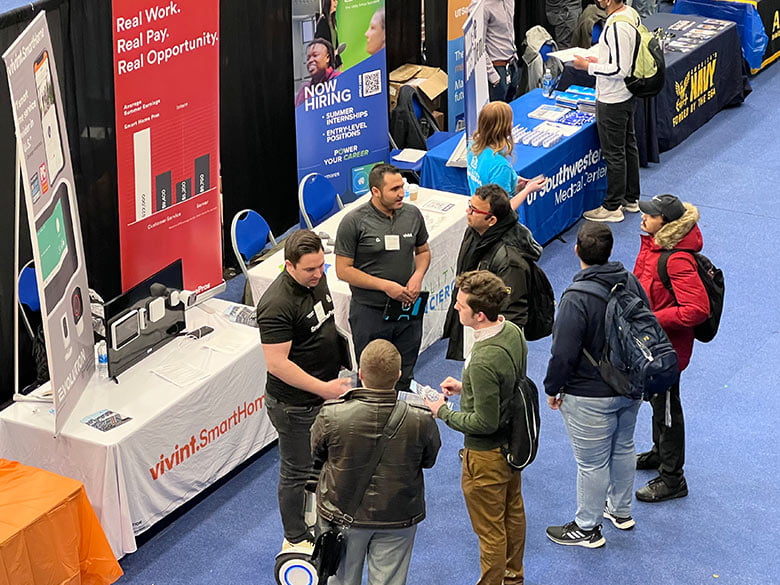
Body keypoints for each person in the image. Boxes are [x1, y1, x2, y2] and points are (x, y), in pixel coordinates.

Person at [544, 221, 645, 548]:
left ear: (577, 251)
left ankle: (587, 527)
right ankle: (620, 510)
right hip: (630, 387)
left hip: (590, 395)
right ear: (610, 250)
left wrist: (552, 388)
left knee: (592, 463)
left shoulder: (575, 298)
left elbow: (563, 353)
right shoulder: (630, 281)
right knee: (624, 447)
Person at [425, 270, 528, 585]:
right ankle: (513, 578)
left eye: (460, 304)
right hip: (513, 445)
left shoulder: (483, 360)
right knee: (512, 514)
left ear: (479, 315)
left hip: (486, 457)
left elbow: (483, 422)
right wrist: (466, 388)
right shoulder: (511, 331)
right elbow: (505, 384)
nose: (456, 307)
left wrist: (443, 411)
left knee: (490, 531)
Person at [311, 339, 441, 585]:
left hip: (342, 514)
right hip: (399, 514)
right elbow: (429, 460)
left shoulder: (332, 413)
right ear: (399, 375)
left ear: (360, 374)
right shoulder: (421, 418)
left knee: (340, 580)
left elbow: (317, 455)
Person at [256, 229, 352, 551]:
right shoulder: (276, 305)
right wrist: (324, 388)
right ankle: (295, 534)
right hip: (294, 406)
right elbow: (278, 364)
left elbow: (326, 325)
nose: (318, 274)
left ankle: (319, 505)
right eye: (310, 269)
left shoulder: (316, 278)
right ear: (288, 266)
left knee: (323, 457)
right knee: (295, 471)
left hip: (323, 393)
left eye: (321, 266)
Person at [632, 194, 710, 502]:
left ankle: (673, 478)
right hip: (652, 345)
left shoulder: (675, 259)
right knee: (657, 402)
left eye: (649, 214)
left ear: (664, 222)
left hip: (666, 351)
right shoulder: (656, 245)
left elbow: (697, 309)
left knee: (667, 410)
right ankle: (659, 452)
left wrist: (652, 318)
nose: (643, 217)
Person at [335, 163, 430, 392]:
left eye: (402, 187)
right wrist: (385, 286)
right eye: (394, 189)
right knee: (372, 378)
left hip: (407, 308)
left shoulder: (412, 214)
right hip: (370, 311)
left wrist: (418, 275)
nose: (401, 193)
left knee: (404, 372)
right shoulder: (354, 222)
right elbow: (343, 270)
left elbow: (423, 251)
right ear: (375, 191)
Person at [443, 184, 543, 360]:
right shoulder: (475, 231)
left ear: (492, 220)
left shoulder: (510, 260)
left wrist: (495, 353)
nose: (468, 211)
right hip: (476, 323)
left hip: (492, 341)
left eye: (474, 210)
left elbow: (514, 315)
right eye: (469, 205)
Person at [573, 0, 641, 223]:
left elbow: (620, 69)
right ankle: (630, 198)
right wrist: (599, 59)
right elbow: (619, 57)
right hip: (626, 95)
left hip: (614, 98)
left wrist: (588, 67)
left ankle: (612, 206)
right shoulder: (630, 14)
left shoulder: (617, 26)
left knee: (615, 153)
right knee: (628, 146)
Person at [467, 101, 547, 210]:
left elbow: (485, 178)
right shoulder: (500, 166)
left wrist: (514, 179)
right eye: (510, 121)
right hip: (496, 223)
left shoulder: (473, 146)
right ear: (504, 128)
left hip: (478, 210)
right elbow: (505, 210)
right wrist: (528, 190)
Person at [472, 0, 521, 102]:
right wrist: (493, 75)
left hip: (512, 65)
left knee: (512, 112)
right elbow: (478, 46)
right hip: (497, 69)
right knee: (497, 116)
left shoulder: (509, 1)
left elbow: (510, 31)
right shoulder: (482, 6)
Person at [295, 38, 341, 107]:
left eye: (315, 55)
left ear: (327, 58)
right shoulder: (304, 91)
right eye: (308, 58)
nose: (310, 60)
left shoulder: (339, 80)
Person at [315, 0, 342, 68]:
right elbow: (320, 45)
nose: (336, 3)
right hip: (326, 65)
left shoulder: (332, 21)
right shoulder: (322, 22)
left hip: (334, 63)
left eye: (336, 1)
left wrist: (339, 61)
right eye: (333, 0)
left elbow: (335, 45)